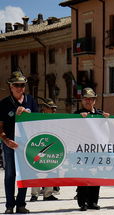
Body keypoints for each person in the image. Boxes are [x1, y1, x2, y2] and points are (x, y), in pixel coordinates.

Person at [0, 71, 39, 214]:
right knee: (10, 174)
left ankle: (21, 204)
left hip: (26, 144)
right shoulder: (4, 104)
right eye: (16, 85)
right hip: (10, 143)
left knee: (24, 174)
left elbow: (40, 121)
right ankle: (9, 205)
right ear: (10, 86)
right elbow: (0, 127)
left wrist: (30, 116)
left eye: (22, 85)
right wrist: (5, 140)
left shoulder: (31, 100)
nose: (19, 88)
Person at [75, 88, 110, 211]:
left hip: (97, 150)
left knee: (96, 175)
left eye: (90, 99)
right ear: (82, 100)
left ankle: (93, 201)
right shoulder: (77, 114)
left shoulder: (100, 114)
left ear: (94, 100)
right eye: (85, 99)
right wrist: (79, 119)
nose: (88, 101)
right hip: (82, 150)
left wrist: (109, 119)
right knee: (83, 176)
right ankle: (82, 202)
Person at [30, 98, 59, 202]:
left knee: (50, 170)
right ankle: (34, 194)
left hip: (51, 148)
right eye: (51, 108)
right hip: (39, 148)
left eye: (54, 109)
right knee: (36, 170)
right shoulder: (37, 119)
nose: (54, 111)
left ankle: (48, 194)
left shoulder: (56, 121)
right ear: (45, 108)